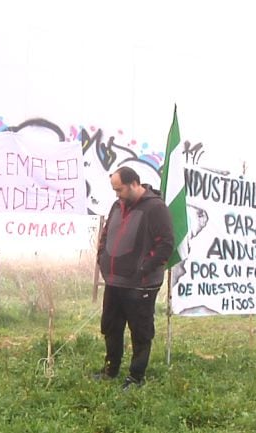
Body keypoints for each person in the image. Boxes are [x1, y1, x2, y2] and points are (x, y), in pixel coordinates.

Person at [96, 166, 174, 390]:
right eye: (114, 190)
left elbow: (166, 244)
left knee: (140, 332)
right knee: (111, 327)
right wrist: (102, 258)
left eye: (119, 189)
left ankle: (135, 377)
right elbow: (105, 233)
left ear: (134, 184)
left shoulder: (156, 208)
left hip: (141, 284)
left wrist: (143, 269)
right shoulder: (116, 205)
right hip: (114, 280)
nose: (116, 194)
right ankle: (110, 370)